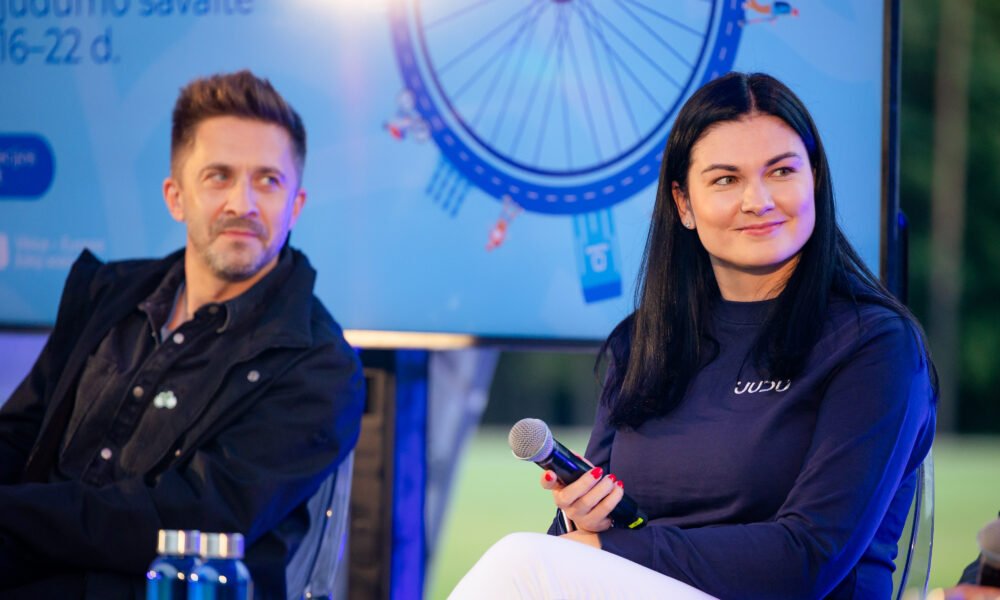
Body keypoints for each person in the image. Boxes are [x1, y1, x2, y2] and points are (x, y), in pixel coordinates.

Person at [451, 72, 936, 599]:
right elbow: (573, 549)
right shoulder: (642, 342)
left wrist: (610, 549)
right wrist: (584, 520)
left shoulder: (875, 345)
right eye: (726, 179)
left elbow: (807, 560)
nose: (758, 200)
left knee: (520, 563)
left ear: (814, 181)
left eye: (781, 171)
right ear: (683, 203)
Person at [0, 70, 365, 598]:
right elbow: (18, 435)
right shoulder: (106, 294)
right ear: (176, 197)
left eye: (268, 180)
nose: (242, 204)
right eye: (219, 176)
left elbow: (193, 518)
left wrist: (12, 515)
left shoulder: (320, 365)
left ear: (296, 206)